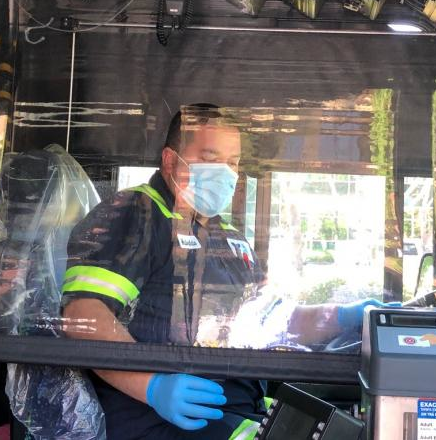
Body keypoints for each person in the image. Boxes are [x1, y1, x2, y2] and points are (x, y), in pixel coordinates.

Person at [62, 104, 386, 439]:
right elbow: (82, 314)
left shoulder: (230, 241)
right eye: (210, 158)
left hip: (234, 413)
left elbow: (274, 322)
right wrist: (152, 385)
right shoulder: (138, 213)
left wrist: (346, 318)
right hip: (159, 423)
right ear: (170, 161)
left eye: (232, 163)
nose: (225, 173)